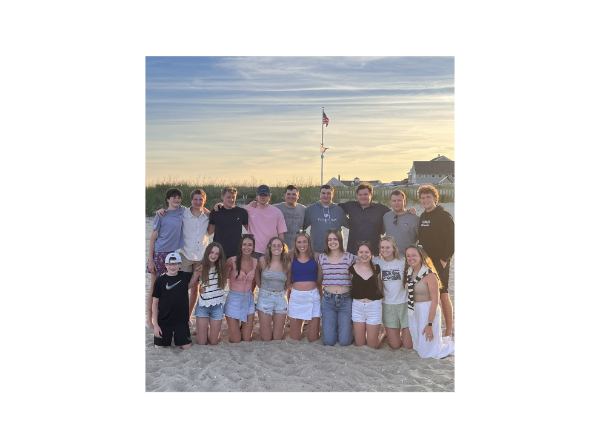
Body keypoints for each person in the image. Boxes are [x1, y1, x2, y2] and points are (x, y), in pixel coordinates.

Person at [155, 189, 212, 318]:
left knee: (196, 288)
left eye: (200, 199)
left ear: (204, 200)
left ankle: (188, 316)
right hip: (185, 255)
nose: (198, 202)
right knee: (181, 287)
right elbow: (170, 212)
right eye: (195, 199)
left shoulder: (208, 216)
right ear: (191, 200)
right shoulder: (183, 213)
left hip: (202, 256)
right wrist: (160, 210)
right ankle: (176, 314)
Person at [404, 245, 454, 358]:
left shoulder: (429, 275)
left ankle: (449, 346)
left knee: (427, 353)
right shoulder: (409, 272)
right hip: (413, 309)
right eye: (408, 256)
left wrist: (429, 324)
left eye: (414, 255)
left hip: (427, 310)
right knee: (418, 347)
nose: (411, 258)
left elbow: (435, 302)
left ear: (421, 256)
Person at [417, 185, 454, 338]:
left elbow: (452, 239)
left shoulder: (443, 215)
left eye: (428, 197)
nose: (425, 200)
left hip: (440, 262)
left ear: (435, 198)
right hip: (425, 262)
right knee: (430, 295)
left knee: (443, 295)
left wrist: (444, 259)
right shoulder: (423, 216)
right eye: (422, 198)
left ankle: (449, 330)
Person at [146, 188, 185, 329]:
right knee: (154, 287)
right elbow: (152, 239)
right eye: (173, 197)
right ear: (168, 199)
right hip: (159, 253)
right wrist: (151, 260)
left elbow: (198, 209)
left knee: (169, 287)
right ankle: (149, 319)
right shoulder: (161, 215)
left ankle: (165, 316)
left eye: (179, 197)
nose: (176, 199)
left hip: (172, 254)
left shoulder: (182, 211)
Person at [152, 252, 201, 350]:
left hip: (181, 321)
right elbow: (155, 303)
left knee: (186, 346)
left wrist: (199, 272)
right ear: (165, 265)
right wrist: (156, 326)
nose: (172, 267)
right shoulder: (160, 281)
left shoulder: (185, 276)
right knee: (159, 347)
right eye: (170, 264)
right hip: (164, 320)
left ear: (180, 265)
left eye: (175, 264)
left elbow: (197, 274)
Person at [318, 229, 356, 346]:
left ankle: (347, 330)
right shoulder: (322, 257)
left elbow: (354, 280)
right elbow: (319, 280)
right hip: (328, 300)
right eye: (329, 240)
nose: (332, 242)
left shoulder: (350, 257)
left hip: (345, 300)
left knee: (344, 342)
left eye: (335, 239)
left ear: (340, 240)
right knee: (328, 341)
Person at [375, 236, 412, 349]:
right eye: (382, 247)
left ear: (394, 248)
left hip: (404, 304)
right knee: (395, 345)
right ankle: (384, 332)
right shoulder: (378, 263)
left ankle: (402, 330)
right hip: (388, 305)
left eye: (388, 247)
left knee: (408, 345)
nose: (384, 250)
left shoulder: (403, 262)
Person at [349, 241, 385, 349]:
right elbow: (352, 286)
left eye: (367, 252)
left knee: (372, 345)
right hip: (357, 308)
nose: (364, 255)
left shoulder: (377, 269)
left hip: (373, 308)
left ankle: (383, 333)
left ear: (371, 254)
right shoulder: (352, 269)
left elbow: (380, 289)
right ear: (357, 254)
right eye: (361, 252)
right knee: (360, 344)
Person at [338, 182, 391, 255]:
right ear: (357, 195)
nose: (363, 197)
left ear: (371, 195)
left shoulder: (381, 209)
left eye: (365, 194)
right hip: (353, 253)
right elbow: (333, 208)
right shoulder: (351, 206)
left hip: (374, 254)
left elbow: (396, 214)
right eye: (360, 195)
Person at [287, 230, 322, 342]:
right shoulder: (291, 257)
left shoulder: (316, 256)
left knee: (313, 338)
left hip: (312, 297)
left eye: (304, 242)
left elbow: (320, 279)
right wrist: (296, 287)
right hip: (296, 298)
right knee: (295, 338)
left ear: (309, 243)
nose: (302, 245)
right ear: (295, 244)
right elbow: (287, 280)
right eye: (299, 242)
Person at [255, 236, 291, 341]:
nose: (276, 248)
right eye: (274, 245)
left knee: (277, 338)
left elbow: (288, 283)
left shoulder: (287, 264)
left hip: (281, 299)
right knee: (266, 338)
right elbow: (257, 273)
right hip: (265, 298)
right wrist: (260, 285)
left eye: (279, 245)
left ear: (283, 248)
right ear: (270, 248)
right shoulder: (262, 261)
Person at [223, 235, 258, 343]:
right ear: (240, 246)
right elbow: (222, 281)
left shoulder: (256, 262)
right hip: (233, 299)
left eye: (250, 245)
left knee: (247, 339)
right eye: (244, 244)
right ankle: (235, 330)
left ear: (253, 247)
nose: (247, 247)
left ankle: (241, 329)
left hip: (248, 300)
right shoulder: (231, 261)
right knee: (236, 340)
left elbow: (260, 282)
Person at [192, 242, 227, 345]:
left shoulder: (223, 268)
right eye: (211, 252)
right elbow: (189, 285)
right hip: (203, 306)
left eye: (217, 253)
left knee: (213, 342)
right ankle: (202, 329)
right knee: (201, 343)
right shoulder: (200, 269)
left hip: (217, 307)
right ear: (207, 253)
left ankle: (205, 329)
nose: (214, 255)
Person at [243, 185, 287, 259]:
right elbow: (235, 212)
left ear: (269, 197)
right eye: (261, 195)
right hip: (254, 250)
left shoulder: (277, 212)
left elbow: (281, 233)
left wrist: (280, 249)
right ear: (257, 196)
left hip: (270, 250)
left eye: (265, 195)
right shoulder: (249, 209)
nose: (262, 197)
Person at [303, 184, 348, 253]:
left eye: (328, 193)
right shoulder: (311, 209)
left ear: (333, 195)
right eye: (323, 193)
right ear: (320, 194)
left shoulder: (339, 210)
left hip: (335, 252)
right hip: (316, 252)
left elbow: (352, 226)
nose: (326, 195)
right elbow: (301, 228)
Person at [208, 186, 249, 259]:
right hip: (219, 252)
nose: (231, 200)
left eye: (233, 197)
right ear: (222, 197)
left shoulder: (241, 212)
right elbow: (209, 232)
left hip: (236, 252)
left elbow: (250, 229)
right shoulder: (216, 212)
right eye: (228, 197)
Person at [382, 190, 420, 257]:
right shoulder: (386, 216)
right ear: (391, 203)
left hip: (407, 258)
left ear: (404, 202)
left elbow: (422, 239)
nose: (396, 203)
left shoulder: (414, 218)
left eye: (399, 200)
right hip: (390, 258)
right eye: (394, 201)